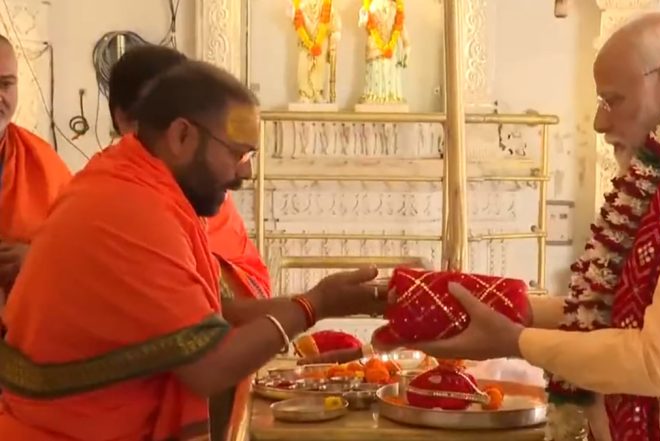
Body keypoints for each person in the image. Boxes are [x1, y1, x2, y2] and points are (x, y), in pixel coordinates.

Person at [374, 12, 660, 441]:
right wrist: (490, 302)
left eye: (613, 100)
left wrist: (516, 341)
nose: (599, 123)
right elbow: (616, 317)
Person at [0, 60, 388, 440]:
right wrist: (312, 307)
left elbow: (218, 313)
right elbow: (209, 368)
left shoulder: (130, 181)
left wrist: (331, 301)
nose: (246, 172)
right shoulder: (133, 209)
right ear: (182, 136)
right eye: (237, 152)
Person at [108, 46, 272, 440]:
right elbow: (202, 361)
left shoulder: (192, 192)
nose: (242, 172)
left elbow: (232, 286)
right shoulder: (126, 202)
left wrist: (313, 306)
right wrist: (312, 307)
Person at [0, 35, 71, 310]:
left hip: (25, 334)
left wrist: (37, 258)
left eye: (6, 84)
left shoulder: (42, 161)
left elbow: (82, 247)